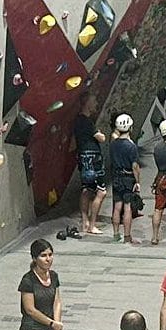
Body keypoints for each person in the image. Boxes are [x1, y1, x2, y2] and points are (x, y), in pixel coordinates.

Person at [73, 93, 107, 235]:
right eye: (93, 100)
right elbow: (101, 138)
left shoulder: (77, 121)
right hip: (93, 159)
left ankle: (85, 221)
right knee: (101, 191)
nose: (96, 103)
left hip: (83, 157)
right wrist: (100, 132)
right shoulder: (87, 122)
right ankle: (92, 224)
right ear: (86, 103)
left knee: (86, 189)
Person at [109, 113, 140, 243]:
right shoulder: (131, 146)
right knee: (127, 207)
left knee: (117, 206)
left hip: (116, 176)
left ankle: (116, 234)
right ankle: (127, 236)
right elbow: (135, 166)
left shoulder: (113, 144)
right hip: (128, 177)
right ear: (130, 128)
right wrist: (137, 181)